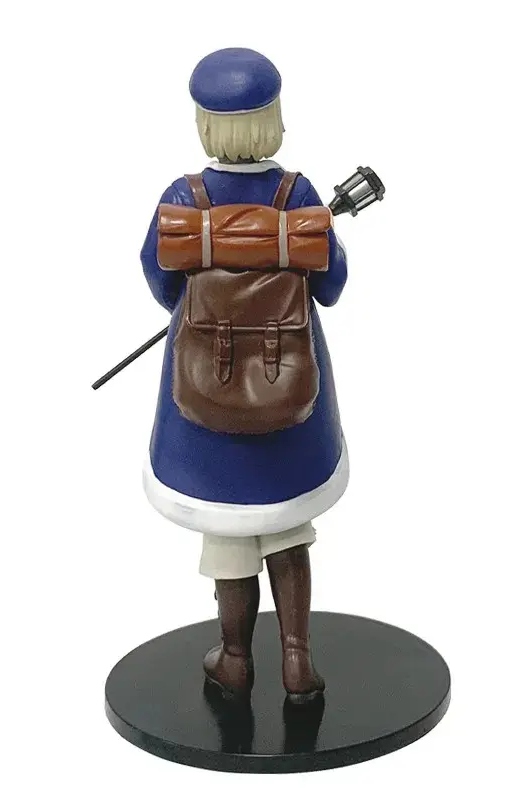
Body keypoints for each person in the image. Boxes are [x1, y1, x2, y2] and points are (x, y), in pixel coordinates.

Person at [140, 48, 348, 702]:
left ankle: (234, 658)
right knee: (287, 528)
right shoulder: (298, 196)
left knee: (226, 532)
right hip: (290, 389)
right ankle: (297, 660)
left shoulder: (184, 198)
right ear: (273, 118)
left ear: (205, 124)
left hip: (203, 393)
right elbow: (332, 284)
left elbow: (160, 280)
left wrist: (203, 304)